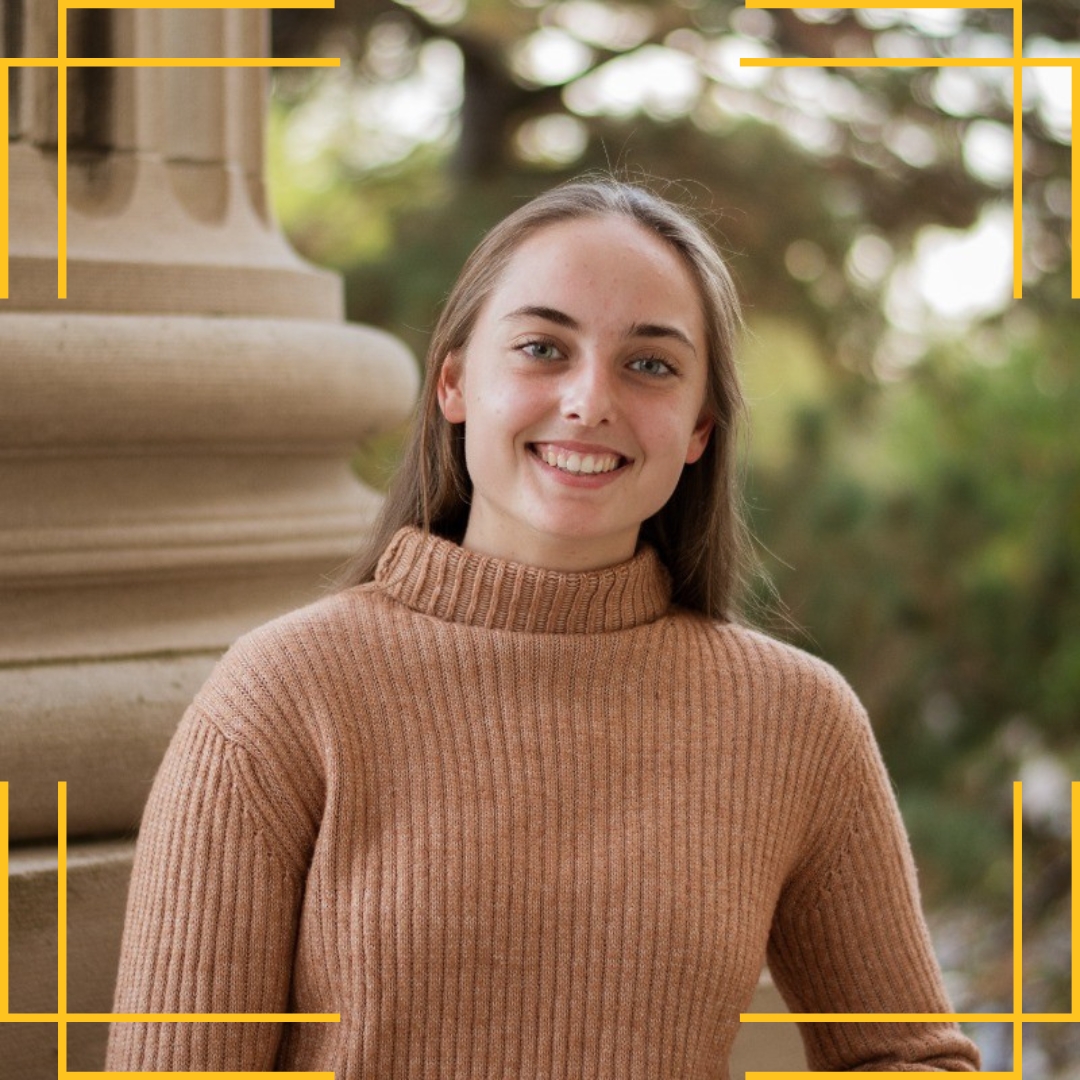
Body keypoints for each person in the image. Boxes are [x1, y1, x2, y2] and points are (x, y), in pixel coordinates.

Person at [106, 178, 981, 1076]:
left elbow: (911, 1057)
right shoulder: (282, 695)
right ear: (453, 383)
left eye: (650, 365)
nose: (588, 401)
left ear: (698, 430)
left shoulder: (797, 720)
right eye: (540, 347)